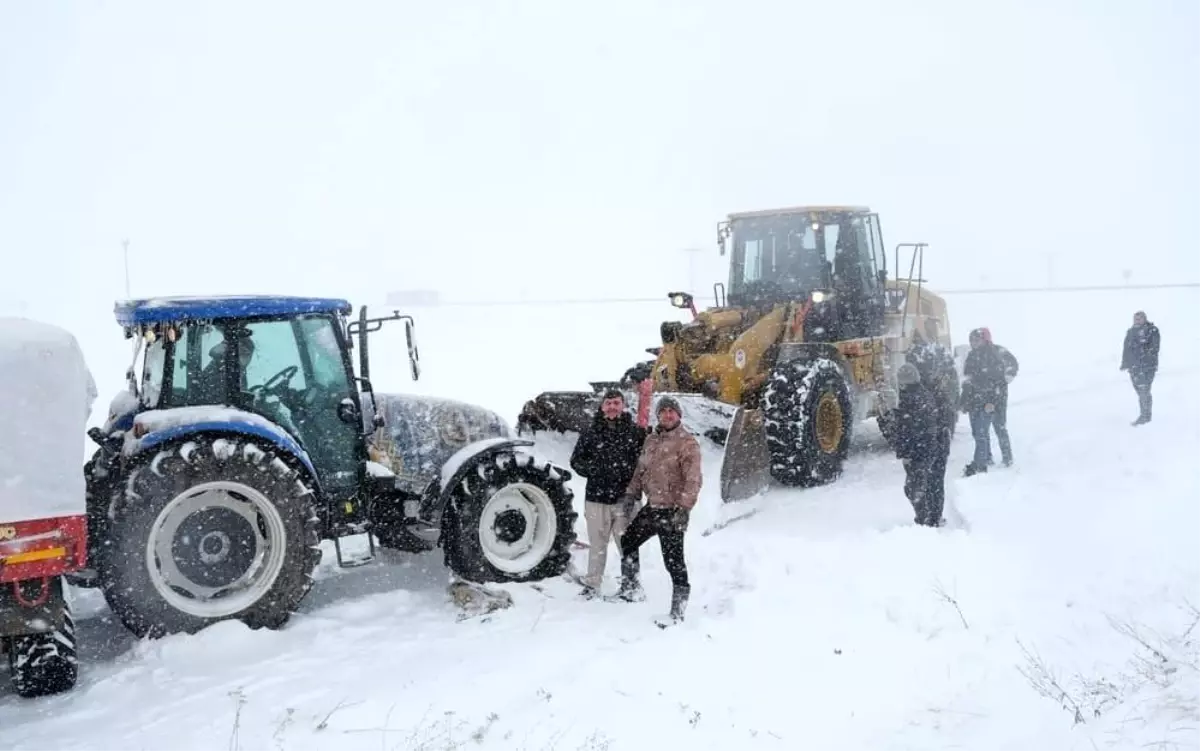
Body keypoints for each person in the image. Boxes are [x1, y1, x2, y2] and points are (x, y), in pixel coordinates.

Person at [614, 396, 702, 625]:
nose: (668, 415)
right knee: (629, 541)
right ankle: (631, 589)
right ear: (659, 415)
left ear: (679, 415)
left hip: (672, 510)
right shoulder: (651, 440)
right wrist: (631, 494)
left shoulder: (687, 443)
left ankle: (678, 613)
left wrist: (684, 508)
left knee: (673, 562)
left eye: (672, 411)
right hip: (652, 508)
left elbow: (693, 480)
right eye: (664, 411)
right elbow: (640, 470)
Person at [568, 389, 648, 598]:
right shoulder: (591, 432)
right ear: (602, 406)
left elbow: (645, 462)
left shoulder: (634, 432)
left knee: (628, 544)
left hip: (625, 499)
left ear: (622, 406)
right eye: (608, 403)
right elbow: (576, 461)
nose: (612, 407)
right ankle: (592, 585)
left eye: (616, 403)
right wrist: (593, 470)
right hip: (596, 498)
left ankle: (631, 586)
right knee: (597, 544)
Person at [904, 333, 959, 520]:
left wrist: (938, 437)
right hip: (934, 442)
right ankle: (932, 516)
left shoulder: (926, 394)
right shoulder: (930, 392)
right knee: (933, 481)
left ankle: (929, 517)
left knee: (927, 482)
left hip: (932, 444)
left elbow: (928, 421)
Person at [894, 363, 948, 526]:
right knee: (934, 484)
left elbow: (906, 431)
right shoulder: (924, 395)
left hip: (923, 450)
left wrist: (907, 454)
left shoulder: (910, 400)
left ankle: (925, 519)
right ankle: (934, 517)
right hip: (937, 445)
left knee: (915, 487)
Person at [960, 327, 1010, 476]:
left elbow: (998, 381)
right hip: (975, 400)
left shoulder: (994, 355)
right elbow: (968, 381)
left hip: (990, 400)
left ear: (985, 340)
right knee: (978, 432)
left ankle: (998, 460)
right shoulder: (971, 356)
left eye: (976, 340)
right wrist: (964, 401)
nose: (973, 343)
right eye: (971, 340)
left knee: (995, 429)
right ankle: (986, 458)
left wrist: (993, 401)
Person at [1120, 310, 1161, 425]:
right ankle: (1145, 413)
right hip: (1134, 367)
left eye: (1139, 319)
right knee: (1139, 391)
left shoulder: (1152, 331)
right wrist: (1125, 363)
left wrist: (1144, 358)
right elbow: (1126, 348)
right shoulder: (1131, 332)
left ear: (1144, 319)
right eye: (1135, 319)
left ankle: (1145, 416)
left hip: (1147, 367)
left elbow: (1154, 348)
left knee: (1144, 391)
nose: (1137, 321)